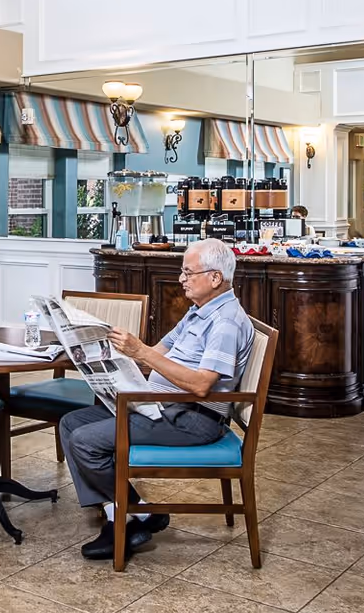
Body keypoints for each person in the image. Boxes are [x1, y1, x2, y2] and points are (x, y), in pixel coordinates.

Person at [58, 237, 255, 561]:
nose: (181, 279)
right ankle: (130, 515)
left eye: (188, 273)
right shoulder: (199, 312)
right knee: (71, 423)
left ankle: (128, 519)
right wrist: (105, 355)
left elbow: (202, 385)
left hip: (192, 418)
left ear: (215, 278)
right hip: (164, 406)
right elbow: (159, 353)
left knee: (85, 441)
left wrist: (141, 352)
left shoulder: (225, 323)